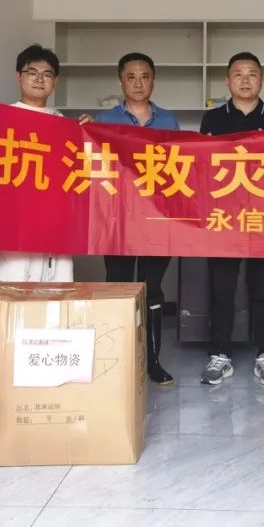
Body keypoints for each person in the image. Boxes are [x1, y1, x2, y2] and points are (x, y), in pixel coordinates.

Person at [0, 43, 87, 286]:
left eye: (47, 74)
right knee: (14, 291)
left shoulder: (64, 124)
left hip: (54, 222)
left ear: (55, 82)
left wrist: (91, 132)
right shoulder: (2, 119)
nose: (39, 79)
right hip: (14, 223)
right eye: (32, 72)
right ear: (18, 77)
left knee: (58, 291)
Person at [199, 52, 264, 387]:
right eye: (238, 74)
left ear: (261, 80)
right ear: (227, 81)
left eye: (252, 73)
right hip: (224, 218)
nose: (245, 80)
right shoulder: (212, 119)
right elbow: (203, 167)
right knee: (222, 289)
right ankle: (220, 355)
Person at [89, 52, 180, 386]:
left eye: (145, 77)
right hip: (117, 221)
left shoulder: (168, 121)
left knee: (152, 288)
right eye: (131, 77)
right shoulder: (104, 119)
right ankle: (117, 359)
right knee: (119, 285)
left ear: (154, 80)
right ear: (120, 81)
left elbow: (178, 166)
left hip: (157, 219)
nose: (138, 83)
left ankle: (152, 360)